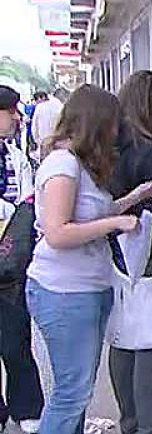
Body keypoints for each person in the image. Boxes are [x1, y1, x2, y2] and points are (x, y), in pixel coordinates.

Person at [25, 85, 152, 434]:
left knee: (78, 393)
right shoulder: (63, 166)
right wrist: (115, 223)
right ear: (96, 125)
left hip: (86, 289)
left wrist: (134, 198)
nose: (117, 134)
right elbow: (58, 232)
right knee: (72, 393)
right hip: (64, 292)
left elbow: (91, 214)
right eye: (113, 125)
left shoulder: (80, 166)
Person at [108, 71, 152, 434]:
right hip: (150, 250)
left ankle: (130, 421)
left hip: (116, 250)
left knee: (122, 337)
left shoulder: (111, 143)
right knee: (151, 342)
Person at [0, 85, 43, 434]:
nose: (18, 117)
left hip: (12, 267)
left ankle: (27, 408)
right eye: (10, 110)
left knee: (16, 339)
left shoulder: (15, 156)